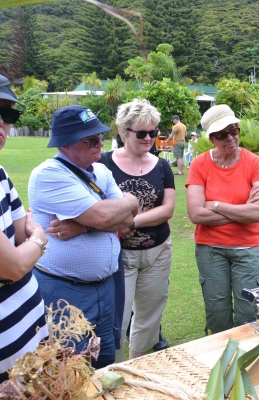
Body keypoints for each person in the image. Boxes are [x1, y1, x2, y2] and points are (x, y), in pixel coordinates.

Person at [29, 105, 139, 368]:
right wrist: (118, 208)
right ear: (65, 145)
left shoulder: (100, 170)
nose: (100, 143)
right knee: (69, 367)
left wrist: (83, 226)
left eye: (101, 136)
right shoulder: (49, 174)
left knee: (104, 361)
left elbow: (129, 218)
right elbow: (105, 217)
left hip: (105, 285)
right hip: (66, 289)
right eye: (90, 139)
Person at [0, 69, 49, 399]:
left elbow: (17, 249)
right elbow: (15, 266)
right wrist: (40, 240)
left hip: (31, 356)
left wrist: (21, 252)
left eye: (8, 113)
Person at [100, 99, 175, 361]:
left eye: (153, 132)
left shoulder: (162, 165)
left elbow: (167, 210)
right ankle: (115, 369)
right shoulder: (104, 164)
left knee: (150, 313)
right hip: (119, 256)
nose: (149, 138)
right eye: (141, 133)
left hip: (157, 252)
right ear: (123, 131)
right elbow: (98, 209)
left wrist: (130, 222)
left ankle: (138, 364)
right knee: (117, 317)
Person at [186, 104, 259, 334]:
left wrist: (218, 206)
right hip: (211, 250)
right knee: (217, 312)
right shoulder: (200, 164)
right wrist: (243, 211)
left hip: (248, 248)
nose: (230, 138)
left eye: (234, 130)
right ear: (211, 138)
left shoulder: (253, 162)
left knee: (247, 311)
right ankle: (222, 363)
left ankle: (245, 361)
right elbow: (195, 214)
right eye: (222, 134)